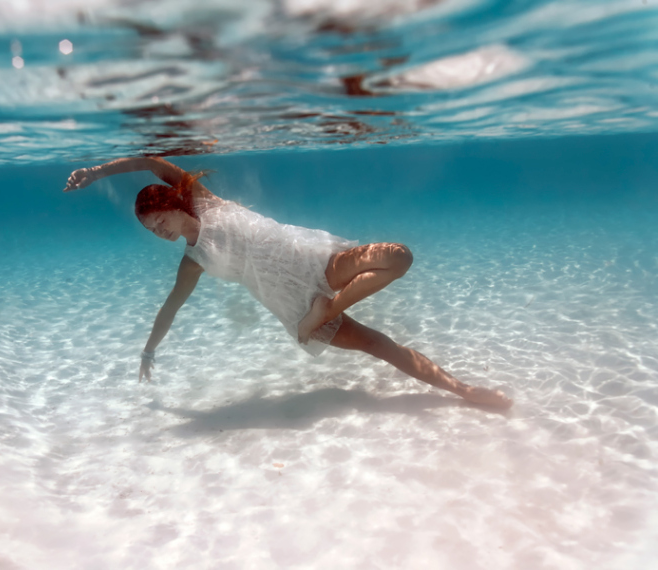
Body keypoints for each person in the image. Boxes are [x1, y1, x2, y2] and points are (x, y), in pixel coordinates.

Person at [64, 157, 513, 409]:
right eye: (152, 231)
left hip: (317, 262)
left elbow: (146, 161)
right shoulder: (193, 261)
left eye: (158, 220)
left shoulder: (205, 200)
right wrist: (148, 349)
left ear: (173, 203)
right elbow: (170, 309)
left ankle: (329, 309)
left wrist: (94, 173)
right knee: (381, 345)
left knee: (398, 257)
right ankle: (463, 391)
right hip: (294, 306)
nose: (159, 232)